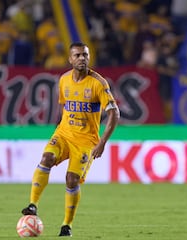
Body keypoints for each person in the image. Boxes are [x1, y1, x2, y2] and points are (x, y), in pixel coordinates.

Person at [20, 42, 120, 236]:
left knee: (72, 180)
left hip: (85, 141)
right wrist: (56, 126)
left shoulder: (98, 83)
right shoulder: (64, 79)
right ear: (70, 59)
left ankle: (67, 225)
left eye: (85, 55)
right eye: (77, 55)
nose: (82, 58)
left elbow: (115, 113)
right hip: (64, 134)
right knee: (46, 159)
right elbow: (63, 106)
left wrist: (102, 143)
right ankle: (32, 205)